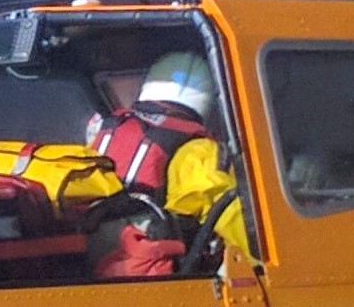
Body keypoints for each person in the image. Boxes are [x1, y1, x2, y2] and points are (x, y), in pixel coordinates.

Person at [81, 51, 247, 276]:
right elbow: (230, 214)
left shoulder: (104, 131)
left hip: (89, 260)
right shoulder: (198, 151)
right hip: (150, 276)